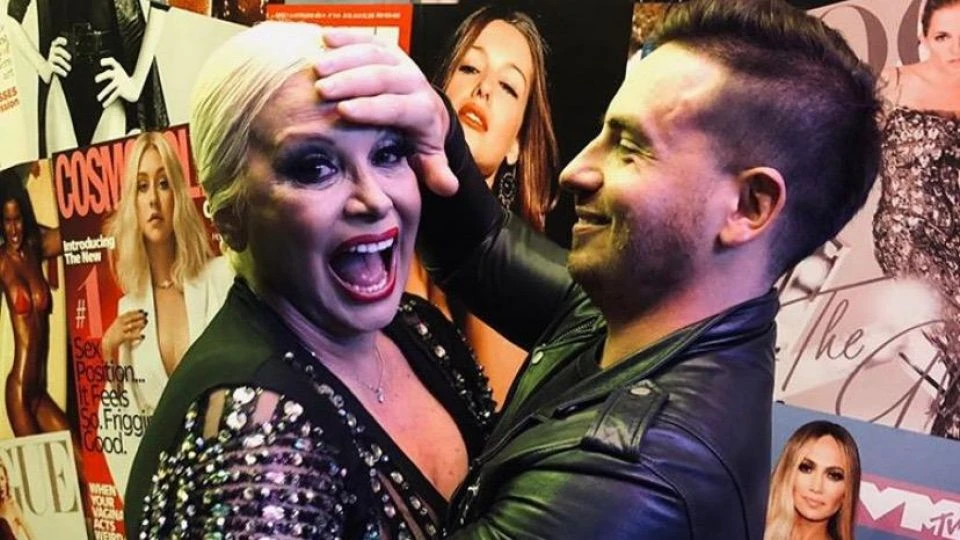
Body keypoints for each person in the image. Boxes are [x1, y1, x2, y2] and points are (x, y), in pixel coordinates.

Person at [314, 0, 882, 536]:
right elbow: (482, 247)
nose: (575, 172)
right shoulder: (647, 310)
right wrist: (432, 120)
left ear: (748, 207)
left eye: (630, 148)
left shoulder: (633, 482)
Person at [123, 21, 495, 539]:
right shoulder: (253, 439)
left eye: (387, 153)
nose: (375, 198)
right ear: (229, 216)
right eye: (315, 167)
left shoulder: (420, 330)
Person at [409, 5, 559, 405]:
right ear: (439, 88)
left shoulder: (526, 287)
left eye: (508, 86)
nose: (484, 88)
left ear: (517, 144)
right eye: (470, 68)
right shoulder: (378, 228)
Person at [873, 0, 960, 440]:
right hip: (911, 234)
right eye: (943, 36)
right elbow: (841, 149)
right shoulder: (894, 82)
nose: (955, 49)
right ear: (924, 39)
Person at [101, 131, 232, 418]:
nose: (153, 200)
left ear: (177, 195)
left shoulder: (222, 277)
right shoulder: (129, 309)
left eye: (163, 184)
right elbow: (122, 422)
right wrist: (109, 350)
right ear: (132, 203)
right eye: (142, 187)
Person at [3, 0, 169, 155]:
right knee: (64, 175)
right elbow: (11, 17)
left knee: (106, 175)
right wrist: (42, 66)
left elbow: (160, 2)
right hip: (63, 81)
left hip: (108, 83)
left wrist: (136, 83)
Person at [765, 420, 862, 540]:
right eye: (806, 468)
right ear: (787, 472)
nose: (816, 487)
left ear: (847, 491)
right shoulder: (750, 529)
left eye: (834, 476)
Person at [0, 460, 36, 540]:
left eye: (2, 479)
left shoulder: (12, 506)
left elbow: (29, 532)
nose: (0, 484)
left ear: (6, 480)